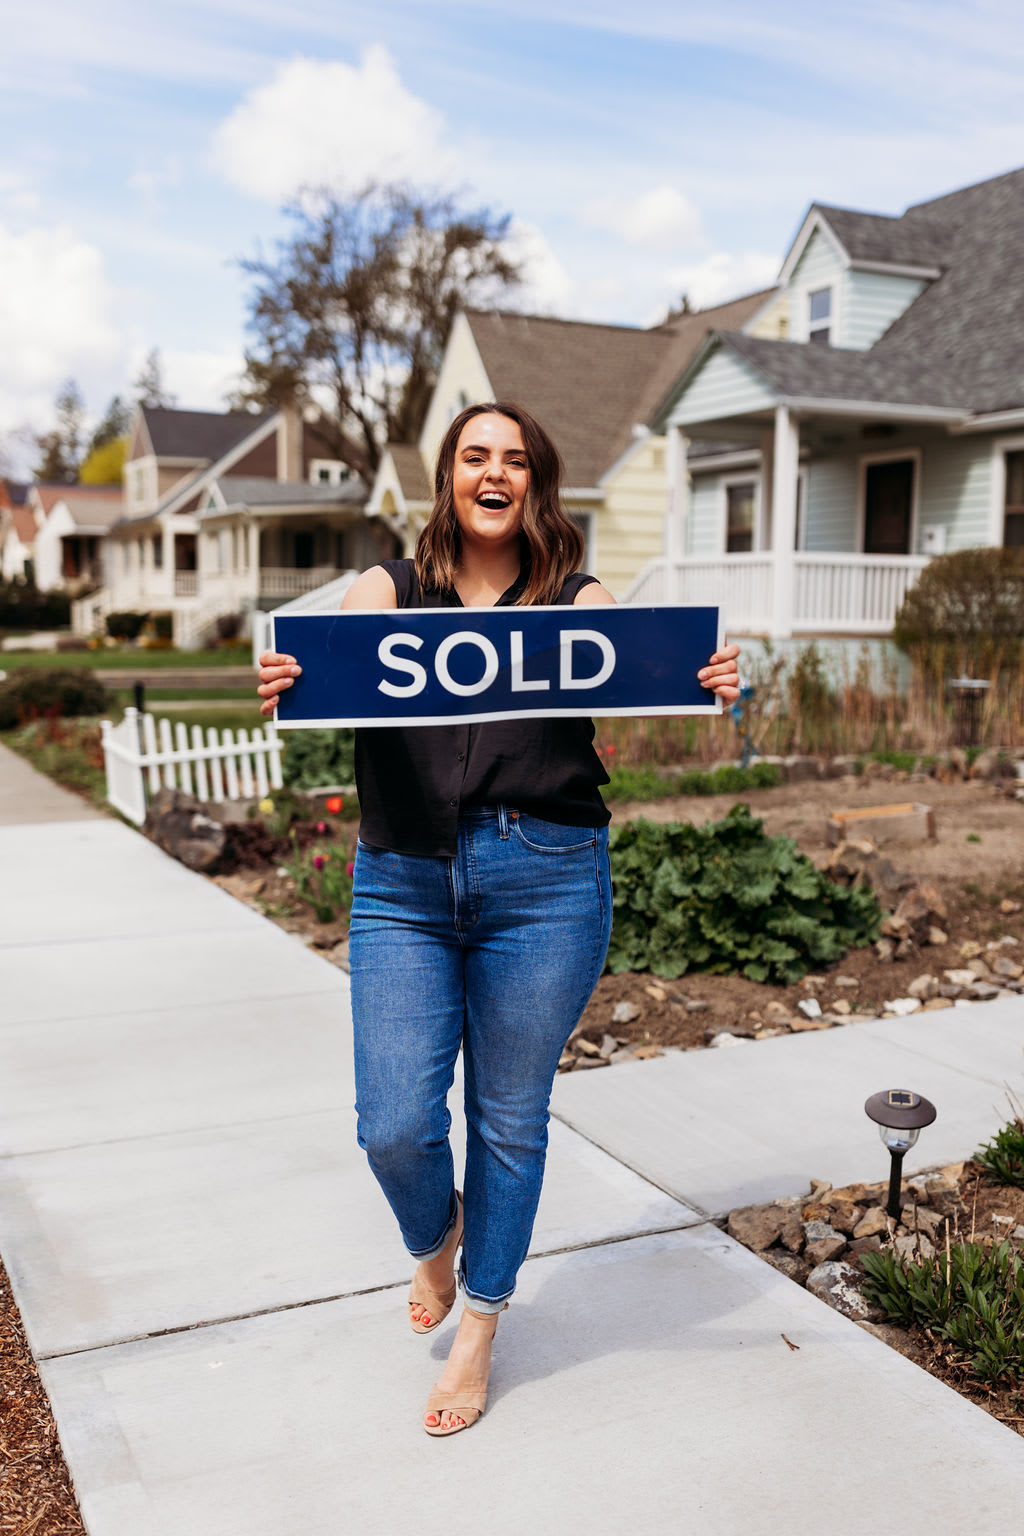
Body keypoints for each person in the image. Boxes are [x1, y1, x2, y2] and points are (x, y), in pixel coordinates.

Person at [257, 401, 740, 1436]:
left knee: (508, 1121)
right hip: (403, 879)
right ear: (447, 475)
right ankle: (438, 1247)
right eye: (475, 454)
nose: (494, 471)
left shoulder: (573, 590)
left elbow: (640, 654)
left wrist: (706, 673)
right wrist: (292, 677)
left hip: (547, 877)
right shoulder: (389, 582)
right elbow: (335, 654)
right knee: (391, 1124)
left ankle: (478, 1327)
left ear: (534, 483)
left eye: (514, 460)